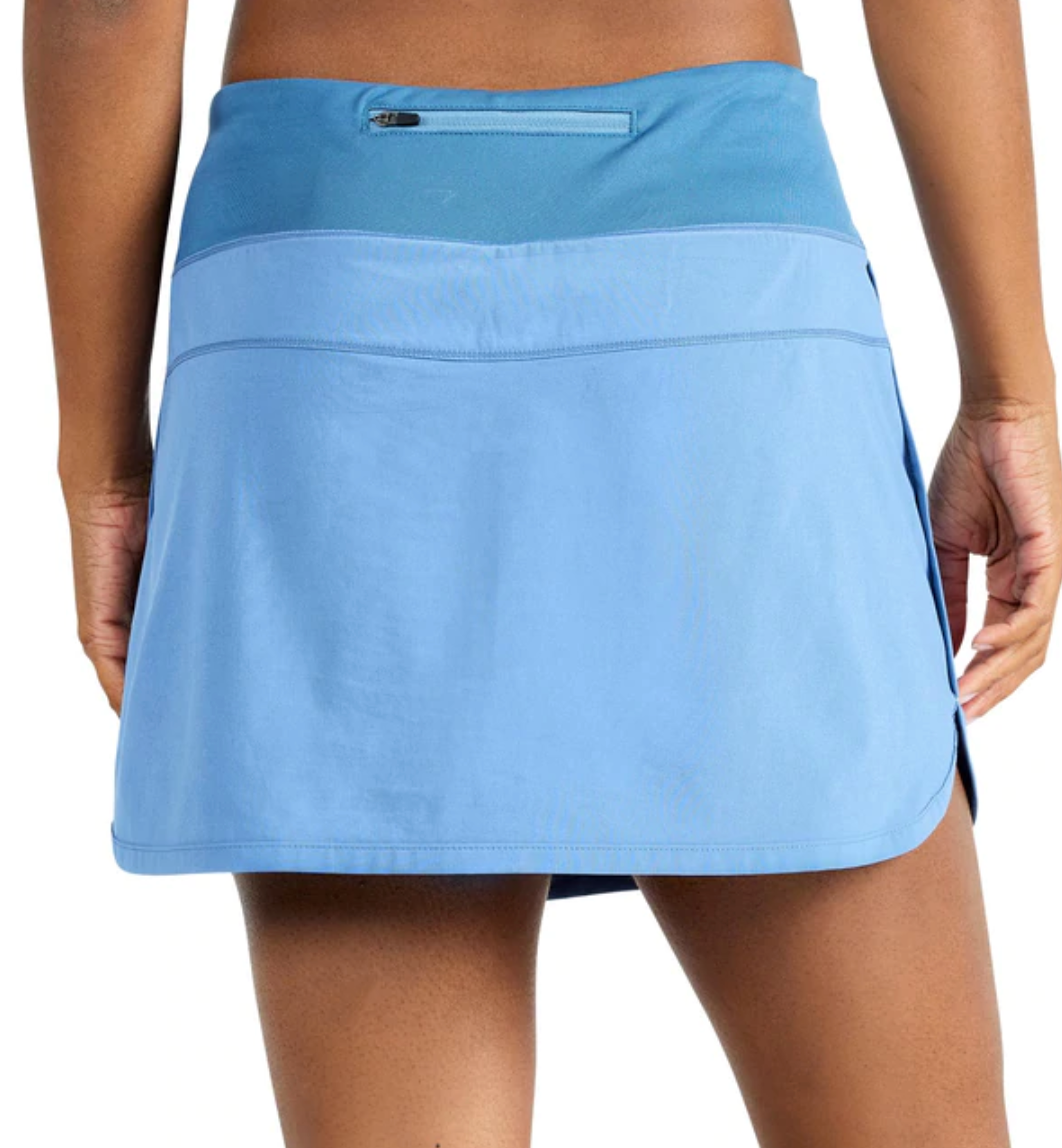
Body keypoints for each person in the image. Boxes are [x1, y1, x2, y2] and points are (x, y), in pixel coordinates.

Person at [24, 1, 1061, 1145]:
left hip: (322, 272)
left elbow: (108, 11)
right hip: (724, 289)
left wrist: (103, 463)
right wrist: (1011, 391)